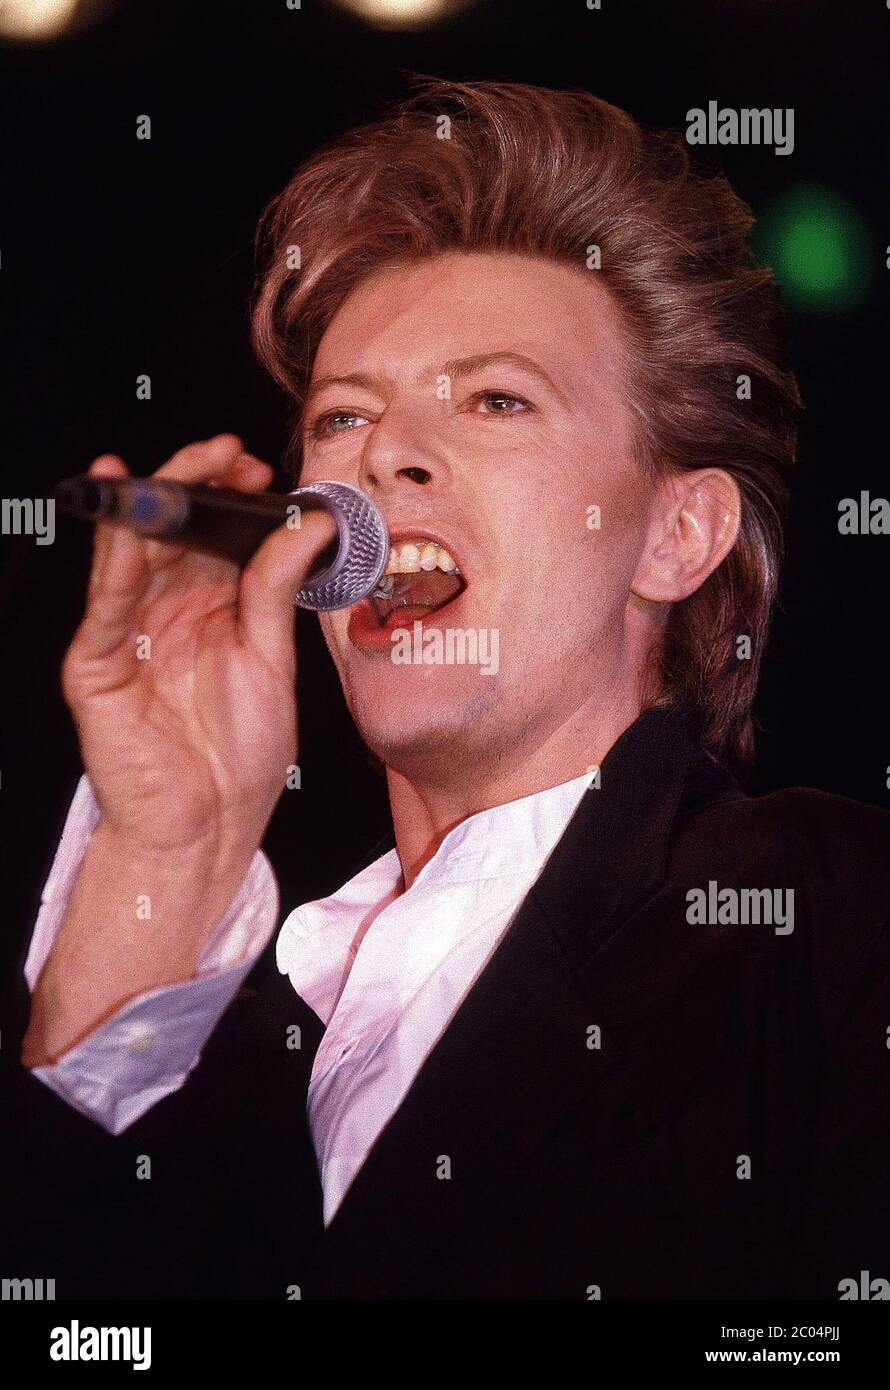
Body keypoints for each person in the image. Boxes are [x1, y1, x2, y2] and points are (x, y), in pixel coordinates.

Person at [5, 79, 889, 1300]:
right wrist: (166, 850)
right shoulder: (230, 1053)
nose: (380, 455)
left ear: (675, 536)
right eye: (341, 416)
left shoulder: (824, 927)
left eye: (494, 398)